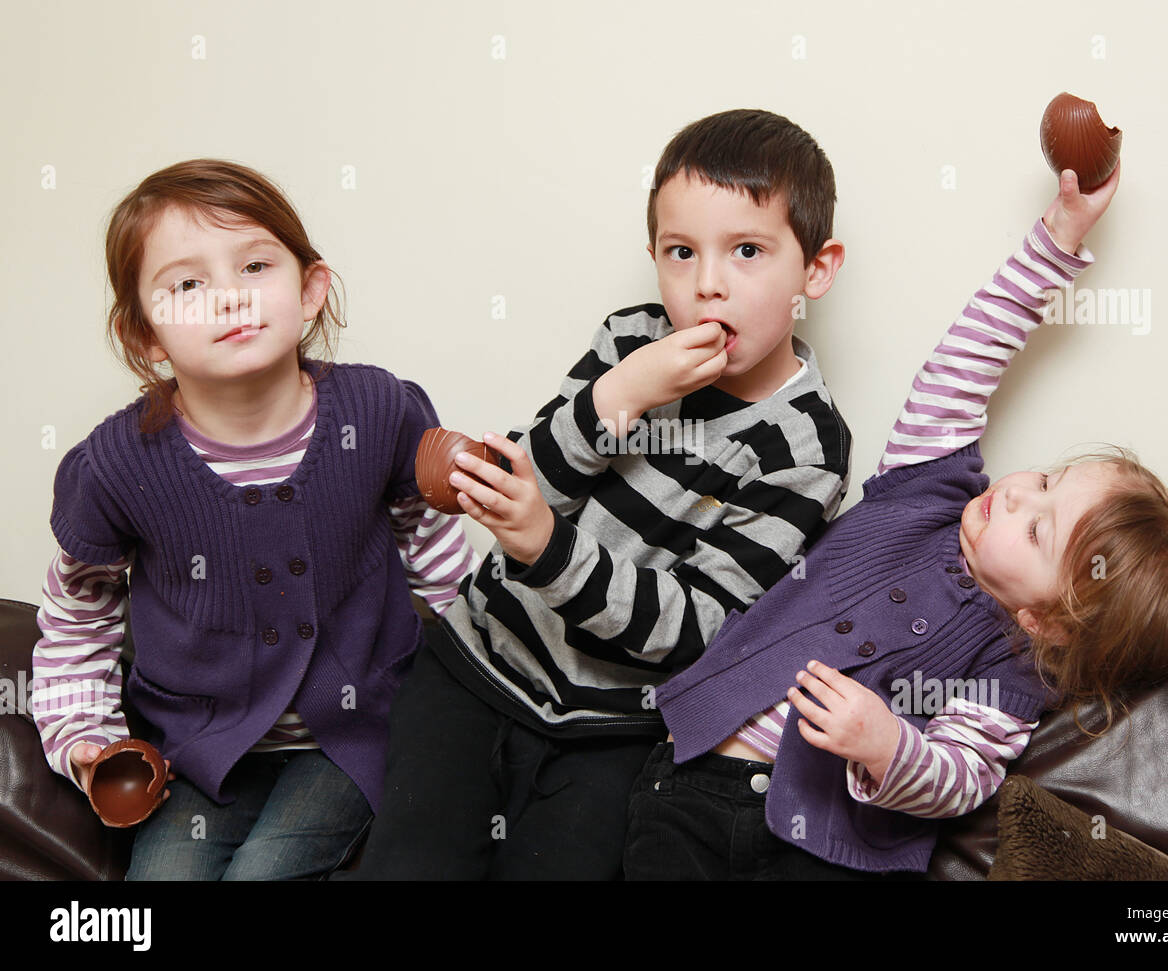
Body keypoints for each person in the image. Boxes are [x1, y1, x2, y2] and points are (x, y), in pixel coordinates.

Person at [624, 161, 1168, 879]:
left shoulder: (1011, 670)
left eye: (1038, 529)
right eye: (1042, 480)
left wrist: (885, 744)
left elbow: (964, 774)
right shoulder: (927, 490)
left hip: (820, 848)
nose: (1013, 494)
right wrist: (1058, 237)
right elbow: (966, 359)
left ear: (1050, 621)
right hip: (693, 778)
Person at [350, 108, 853, 879]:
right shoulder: (629, 344)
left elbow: (696, 629)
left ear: (814, 271)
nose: (708, 284)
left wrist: (548, 546)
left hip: (616, 729)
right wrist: (622, 392)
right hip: (477, 666)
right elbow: (536, 479)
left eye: (747, 251)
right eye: (681, 253)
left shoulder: (808, 448)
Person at [32, 159, 479, 880]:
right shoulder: (117, 465)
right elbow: (79, 613)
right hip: (200, 747)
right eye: (187, 284)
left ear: (309, 290)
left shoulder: (376, 410)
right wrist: (85, 733)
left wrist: (475, 685)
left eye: (255, 266)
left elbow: (429, 541)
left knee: (263, 871)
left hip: (353, 731)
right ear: (145, 336)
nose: (229, 299)